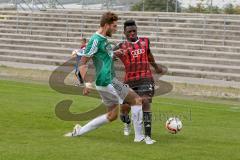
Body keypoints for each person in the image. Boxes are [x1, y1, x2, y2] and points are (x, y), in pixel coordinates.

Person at [64, 12, 156, 144]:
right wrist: (85, 83)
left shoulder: (103, 39)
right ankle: (140, 137)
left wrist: (115, 53)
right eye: (114, 26)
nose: (116, 28)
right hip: (108, 80)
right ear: (106, 25)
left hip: (105, 82)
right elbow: (83, 62)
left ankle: (79, 131)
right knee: (136, 100)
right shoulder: (95, 40)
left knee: (112, 116)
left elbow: (104, 56)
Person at [114, 20, 166, 142]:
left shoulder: (145, 41)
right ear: (124, 33)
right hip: (129, 81)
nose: (132, 33)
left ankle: (147, 137)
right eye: (129, 32)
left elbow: (149, 55)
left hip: (145, 78)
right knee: (125, 110)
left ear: (137, 30)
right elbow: (108, 55)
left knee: (145, 102)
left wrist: (156, 67)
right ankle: (126, 122)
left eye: (134, 31)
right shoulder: (120, 46)